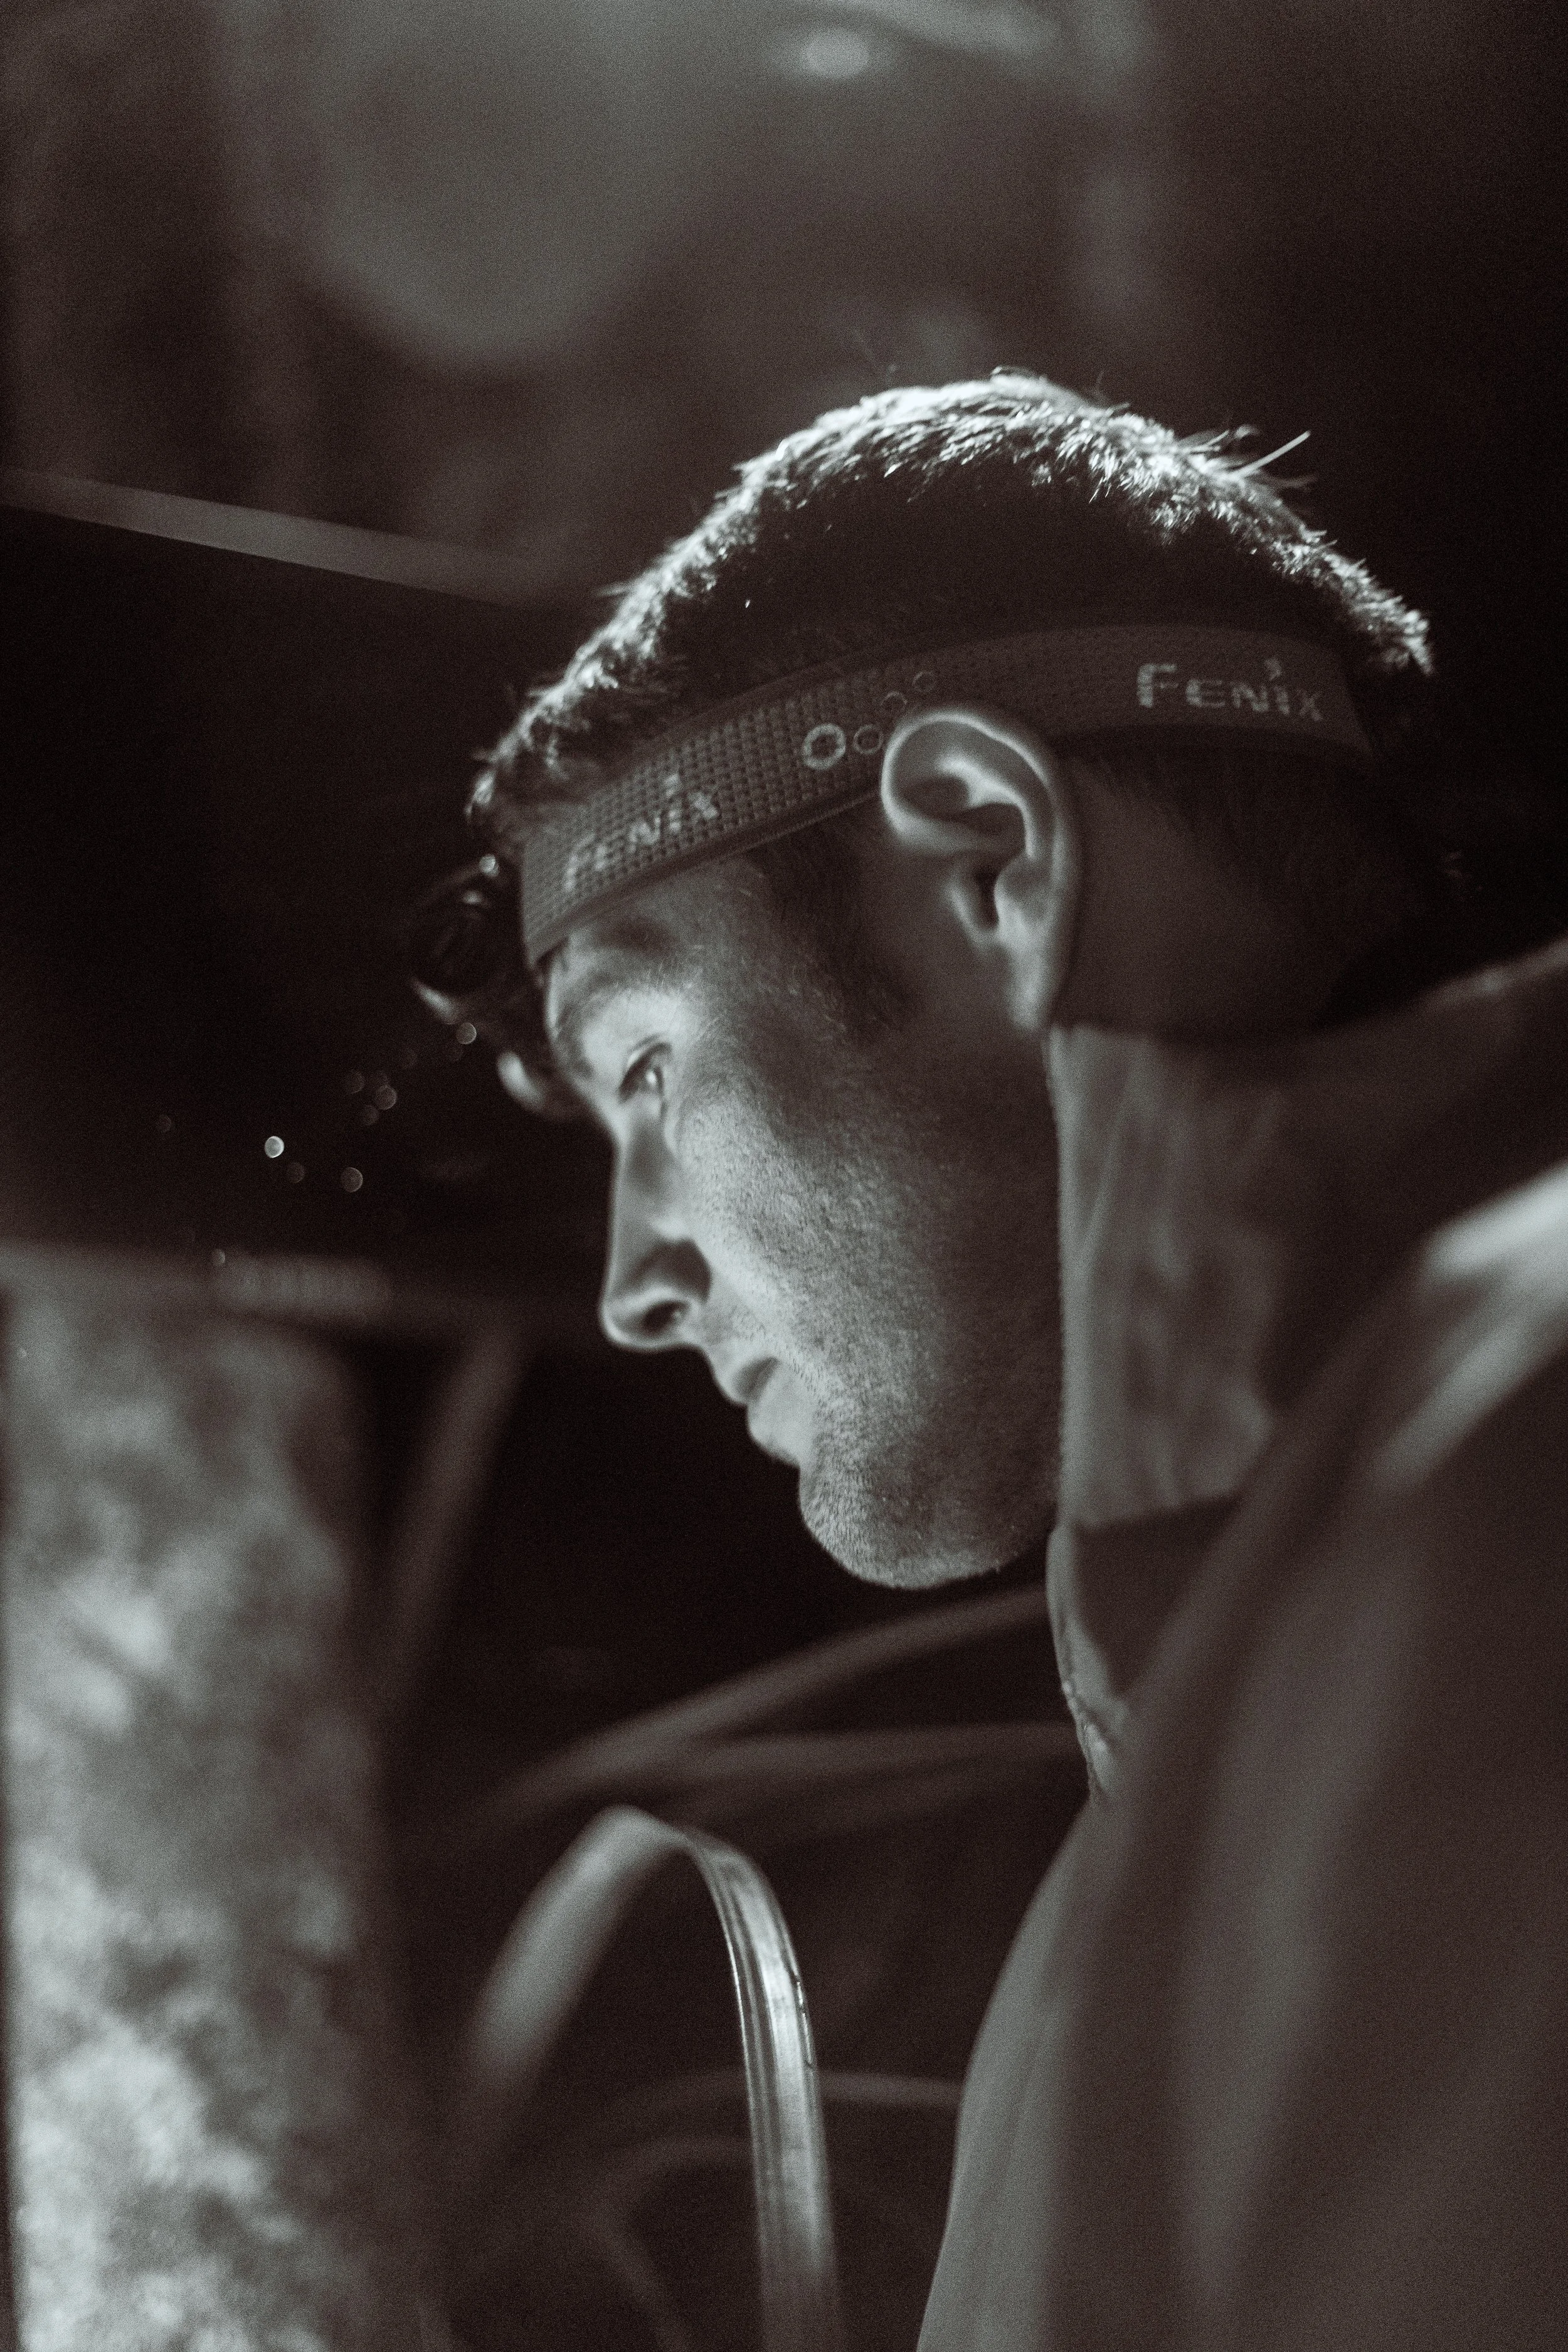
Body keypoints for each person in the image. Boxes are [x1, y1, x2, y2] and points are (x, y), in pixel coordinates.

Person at [421, 377, 1568, 2347]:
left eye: (643, 1065)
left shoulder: (1500, 1464)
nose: (635, 1280)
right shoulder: (1231, 1687)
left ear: (987, 863)